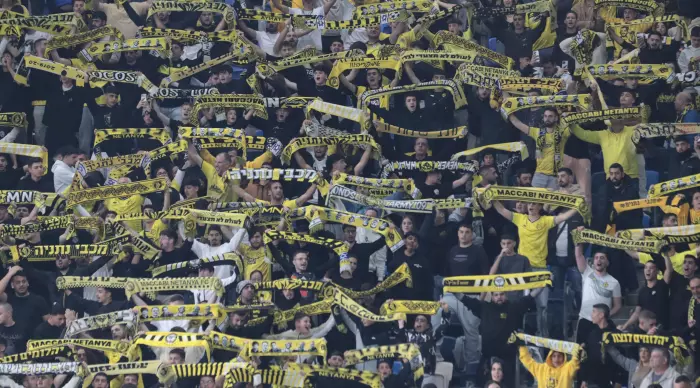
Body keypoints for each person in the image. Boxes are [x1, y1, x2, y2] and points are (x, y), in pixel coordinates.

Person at [574, 239, 623, 343]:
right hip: (584, 320)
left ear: (607, 262)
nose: (598, 260)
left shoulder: (614, 282)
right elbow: (579, 255)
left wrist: (605, 315)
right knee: (580, 352)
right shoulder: (587, 273)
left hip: (602, 324)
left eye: (602, 258)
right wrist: (579, 240)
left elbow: (618, 305)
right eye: (596, 258)